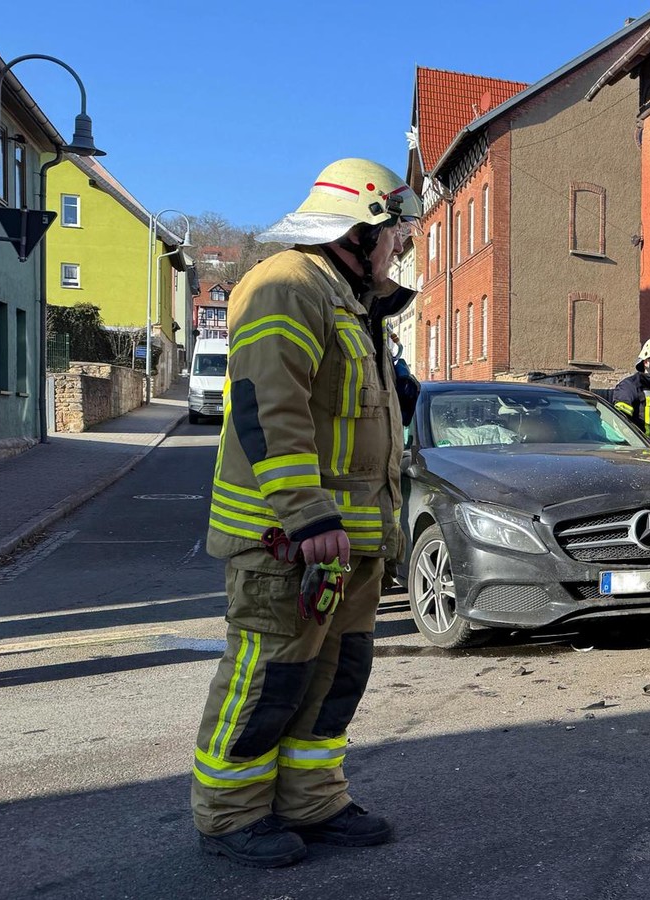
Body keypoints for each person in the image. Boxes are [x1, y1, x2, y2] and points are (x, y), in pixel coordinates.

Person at [191, 158, 421, 868]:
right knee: (271, 676)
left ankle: (310, 801)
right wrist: (306, 514)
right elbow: (269, 408)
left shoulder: (351, 302)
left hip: (345, 543)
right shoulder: (286, 286)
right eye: (397, 233)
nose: (402, 248)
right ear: (359, 231)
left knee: (335, 674)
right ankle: (230, 814)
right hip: (288, 540)